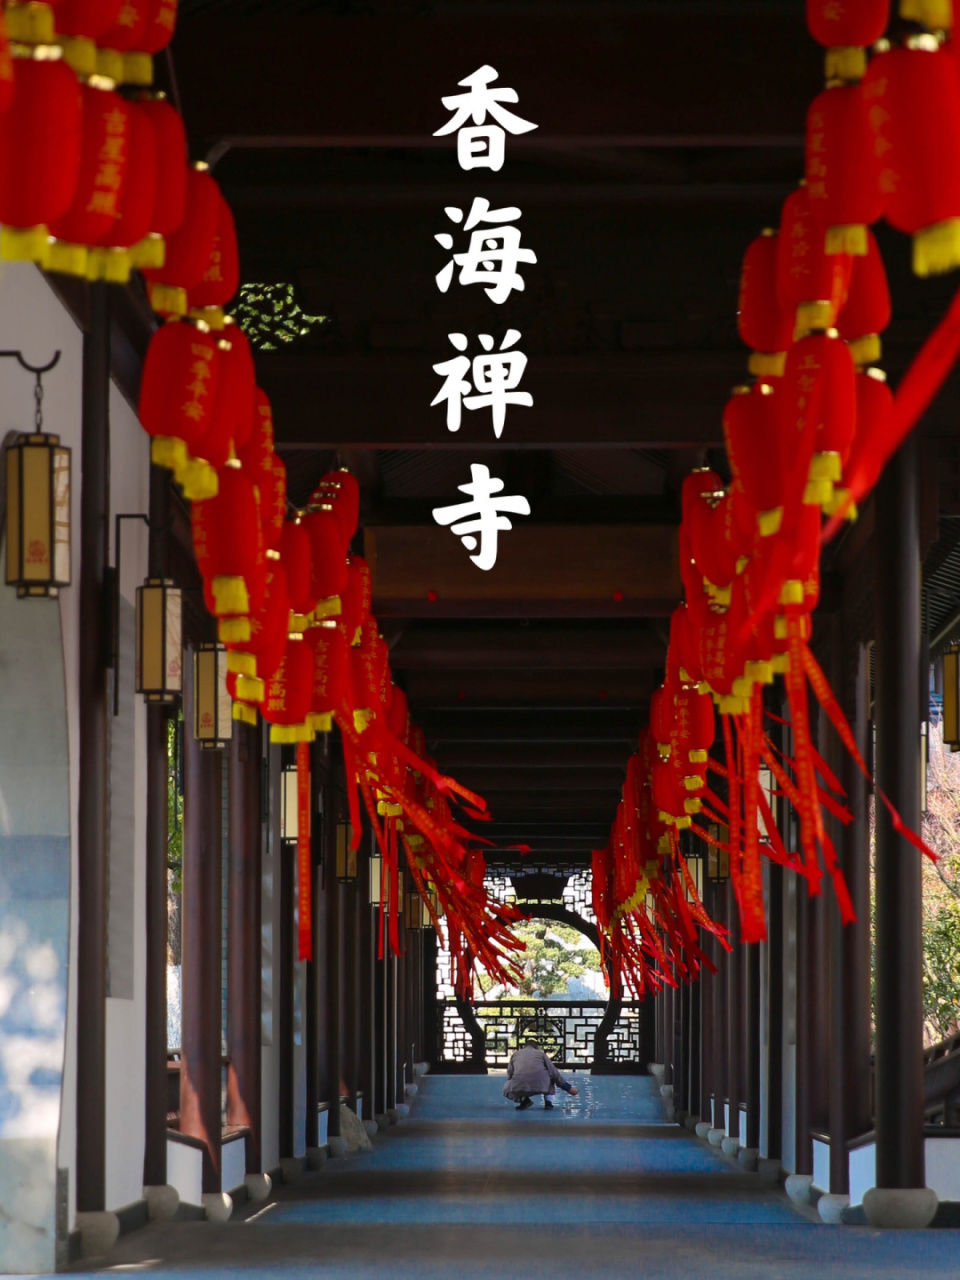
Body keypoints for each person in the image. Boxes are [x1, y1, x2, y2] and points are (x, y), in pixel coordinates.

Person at [503, 1039, 579, 1110]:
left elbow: (510, 1074)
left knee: (507, 1087)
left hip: (520, 1086)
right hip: (541, 1086)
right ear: (536, 1047)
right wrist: (568, 1088)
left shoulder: (515, 1055)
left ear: (524, 1046)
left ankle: (523, 1099)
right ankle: (548, 1102)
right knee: (550, 1074)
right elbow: (554, 1072)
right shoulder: (541, 1054)